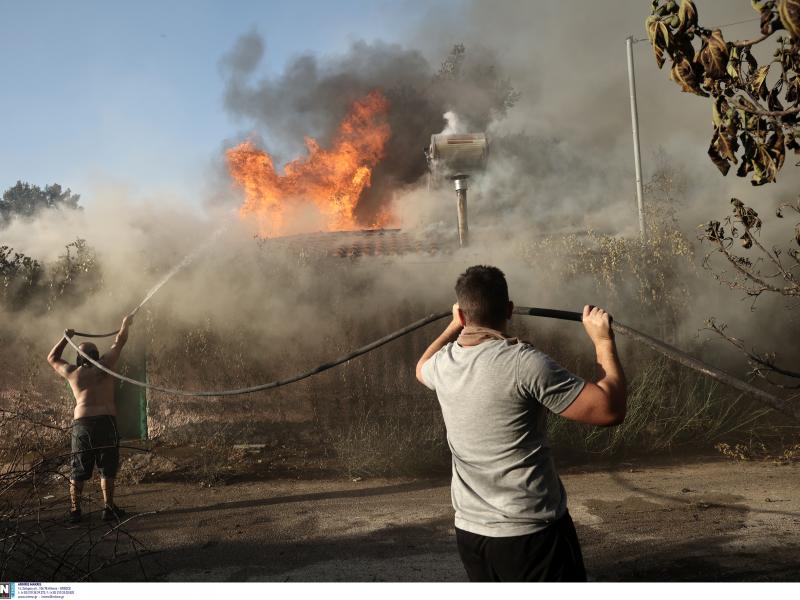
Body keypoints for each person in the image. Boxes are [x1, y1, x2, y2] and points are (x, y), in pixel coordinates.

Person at [415, 265, 626, 582]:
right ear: (510, 310)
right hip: (529, 533)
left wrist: (453, 324)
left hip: (471, 535)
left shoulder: (444, 364)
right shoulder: (524, 363)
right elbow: (609, 410)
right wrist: (603, 341)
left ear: (462, 315)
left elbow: (421, 366)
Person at [47, 314, 134, 523]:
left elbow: (52, 358)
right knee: (107, 466)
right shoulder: (105, 365)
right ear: (95, 354)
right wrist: (124, 324)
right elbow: (120, 341)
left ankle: (75, 511)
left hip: (83, 424)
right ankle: (108, 508)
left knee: (79, 467)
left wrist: (64, 338)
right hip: (106, 421)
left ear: (79, 357)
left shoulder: (72, 373)